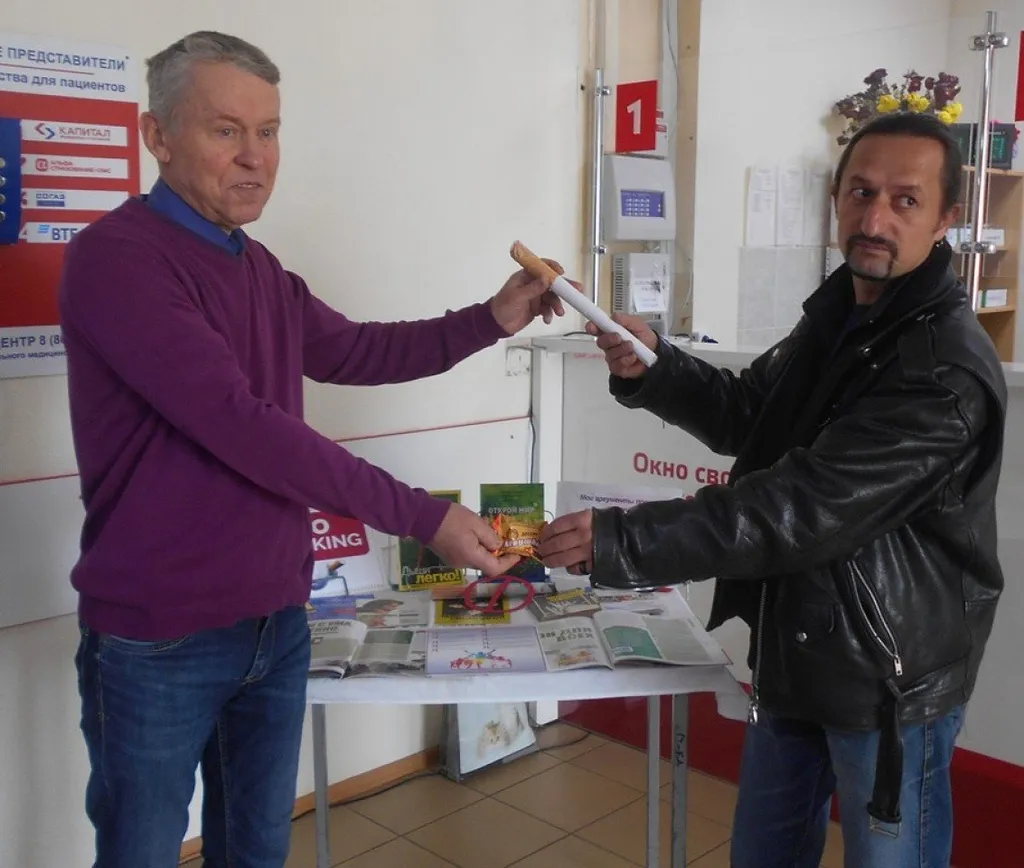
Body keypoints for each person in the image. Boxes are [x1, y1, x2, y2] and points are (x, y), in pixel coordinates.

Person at [59, 30, 568, 868]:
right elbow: (242, 425)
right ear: (157, 136)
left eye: (269, 131)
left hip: (274, 622)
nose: (255, 157)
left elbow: (360, 350)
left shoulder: (257, 268)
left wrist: (492, 318)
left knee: (257, 850)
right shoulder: (118, 260)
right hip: (160, 637)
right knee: (140, 853)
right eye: (226, 130)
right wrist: (424, 517)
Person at [538, 111, 1006, 868]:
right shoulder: (840, 315)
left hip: (887, 682)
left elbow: (805, 506)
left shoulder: (941, 369)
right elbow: (752, 413)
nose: (874, 220)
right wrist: (656, 366)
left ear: (947, 217)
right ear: (837, 197)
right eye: (861, 192)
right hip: (799, 650)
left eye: (905, 200)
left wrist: (627, 539)